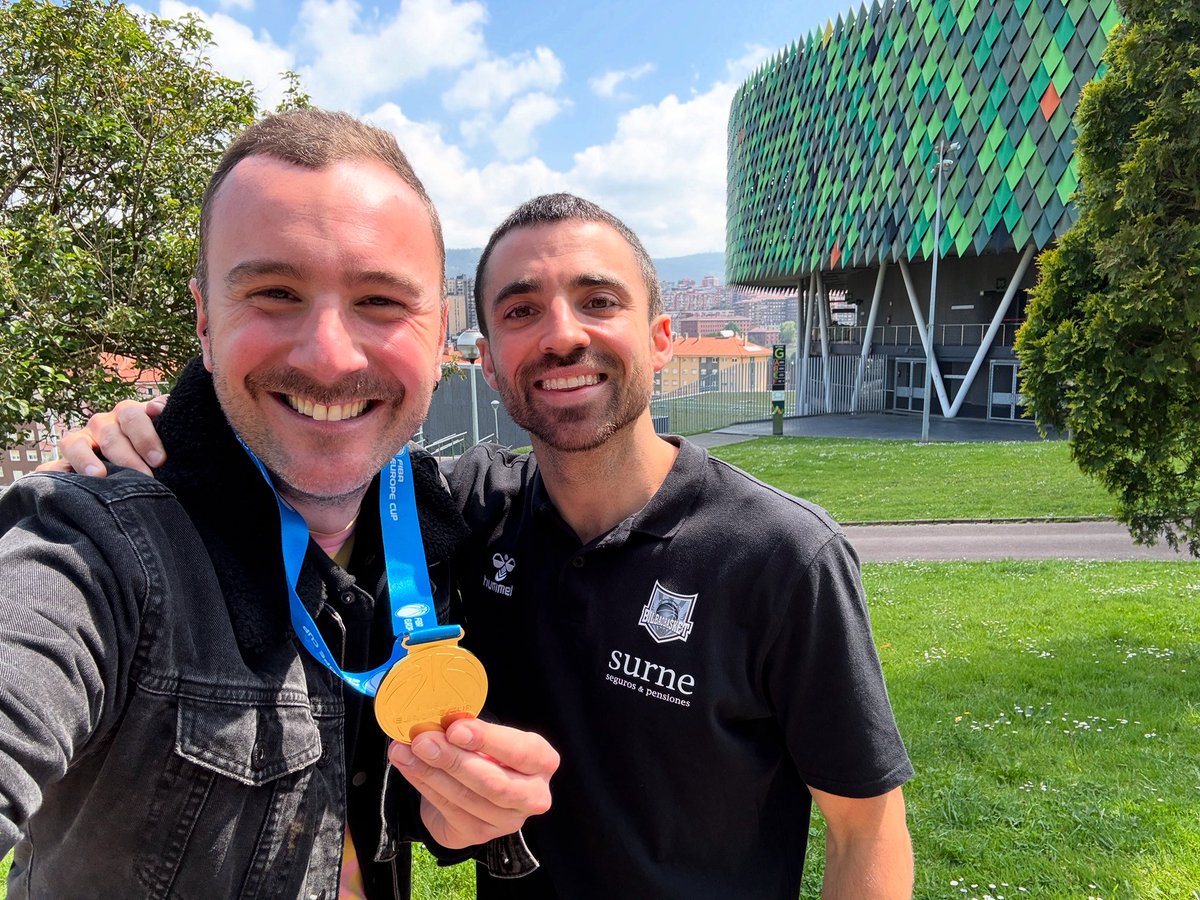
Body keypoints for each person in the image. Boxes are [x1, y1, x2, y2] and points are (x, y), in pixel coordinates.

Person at [58, 194, 915, 898]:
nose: (563, 333)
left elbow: (866, 829)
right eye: (520, 311)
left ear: (659, 336)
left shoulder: (781, 555)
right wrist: (159, 439)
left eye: (600, 300)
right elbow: (309, 462)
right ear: (490, 364)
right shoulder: (469, 514)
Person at [1, 109, 557, 900]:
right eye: (274, 292)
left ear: (440, 338)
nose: (328, 354)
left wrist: (457, 811)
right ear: (203, 319)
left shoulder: (435, 524)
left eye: (380, 302)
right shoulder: (94, 543)